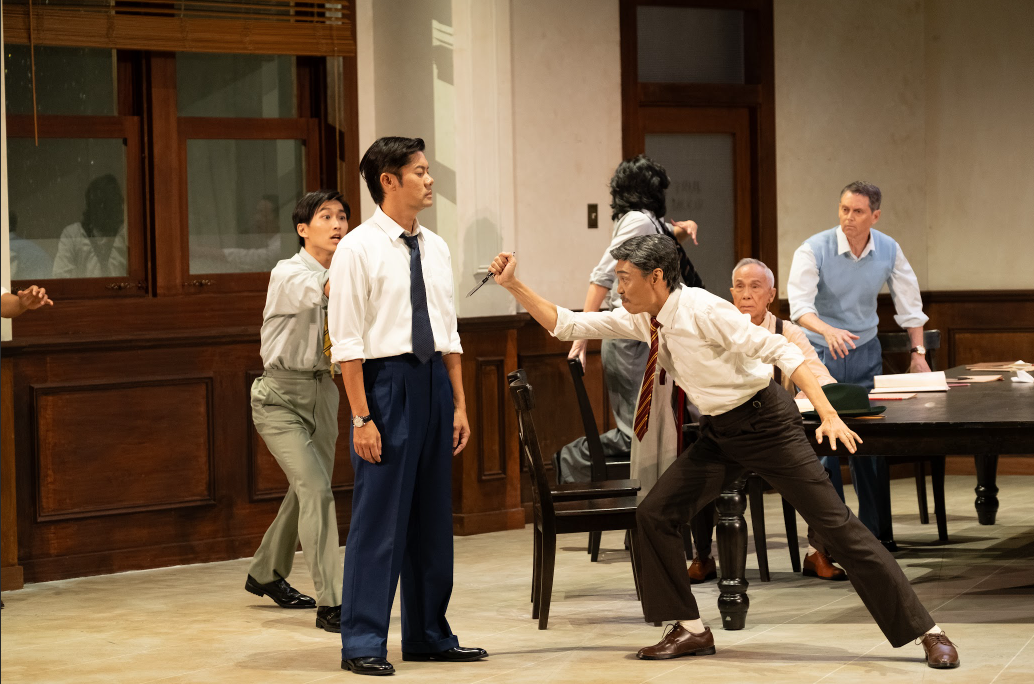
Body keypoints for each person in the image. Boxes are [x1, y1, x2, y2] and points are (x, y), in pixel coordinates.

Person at [487, 236, 959, 669]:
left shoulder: (704, 310)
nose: (618, 289)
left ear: (656, 277)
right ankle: (690, 628)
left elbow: (782, 350)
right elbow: (566, 324)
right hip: (720, 433)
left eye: (625, 279)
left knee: (839, 529)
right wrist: (513, 285)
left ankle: (928, 631)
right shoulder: (643, 317)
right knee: (654, 514)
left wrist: (828, 414)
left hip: (766, 423)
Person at [329, 137, 487, 676]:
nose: (429, 179)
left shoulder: (436, 247)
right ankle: (362, 641)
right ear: (388, 181)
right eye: (419, 171)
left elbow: (449, 332)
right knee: (379, 520)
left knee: (432, 518)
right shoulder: (357, 248)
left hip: (434, 383)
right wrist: (361, 417)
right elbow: (347, 344)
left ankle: (428, 634)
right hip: (385, 385)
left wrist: (459, 404)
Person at [788, 181, 930, 550]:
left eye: (858, 211)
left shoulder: (888, 248)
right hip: (819, 355)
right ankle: (833, 541)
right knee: (824, 444)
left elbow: (910, 304)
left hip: (865, 352)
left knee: (871, 441)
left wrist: (918, 353)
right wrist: (827, 330)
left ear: (875, 216)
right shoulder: (814, 248)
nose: (848, 217)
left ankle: (876, 536)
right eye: (844, 209)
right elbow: (800, 308)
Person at [685, 258, 845, 584]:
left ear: (770, 295)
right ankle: (703, 555)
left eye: (755, 287)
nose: (746, 294)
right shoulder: (717, 330)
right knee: (697, 469)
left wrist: (801, 399)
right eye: (740, 287)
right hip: (730, 436)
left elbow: (821, 378)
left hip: (776, 437)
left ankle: (818, 552)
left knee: (822, 469)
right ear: (731, 293)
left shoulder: (787, 332)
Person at [559, 155, 701, 494]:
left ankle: (652, 507)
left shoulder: (643, 219)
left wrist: (680, 231)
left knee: (656, 426)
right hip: (630, 341)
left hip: (642, 337)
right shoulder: (638, 219)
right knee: (637, 429)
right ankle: (571, 462)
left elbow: (652, 248)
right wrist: (581, 337)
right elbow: (602, 276)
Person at [244, 189, 349, 634]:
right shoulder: (288, 272)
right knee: (317, 491)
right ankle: (333, 603)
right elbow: (331, 287)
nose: (337, 223)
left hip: (324, 391)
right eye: (326, 216)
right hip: (279, 397)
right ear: (303, 229)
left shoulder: (343, 268)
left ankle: (266, 572)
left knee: (308, 489)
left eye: (342, 216)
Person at [52, 174, 127, 278]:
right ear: (91, 206)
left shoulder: (127, 234)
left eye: (110, 205)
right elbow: (61, 279)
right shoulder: (73, 235)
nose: (105, 210)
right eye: (101, 204)